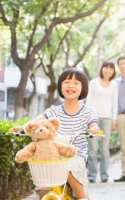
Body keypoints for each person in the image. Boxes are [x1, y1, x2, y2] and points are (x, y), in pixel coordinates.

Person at [18, 68, 100, 200]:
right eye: (67, 82)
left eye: (76, 83)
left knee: (67, 166)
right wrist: (21, 128)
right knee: (44, 172)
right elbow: (35, 122)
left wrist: (94, 128)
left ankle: (83, 197)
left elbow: (93, 124)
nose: (71, 86)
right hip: (53, 154)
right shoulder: (53, 111)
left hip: (76, 154)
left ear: (83, 87)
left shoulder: (88, 112)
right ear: (61, 86)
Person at [86, 61, 118, 183]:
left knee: (105, 148)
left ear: (113, 71)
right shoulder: (94, 83)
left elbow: (115, 103)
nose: (108, 70)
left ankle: (104, 175)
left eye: (111, 68)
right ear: (102, 68)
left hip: (107, 118)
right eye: (106, 67)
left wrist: (114, 119)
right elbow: (88, 101)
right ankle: (91, 176)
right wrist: (88, 118)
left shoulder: (114, 85)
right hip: (93, 118)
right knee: (93, 147)